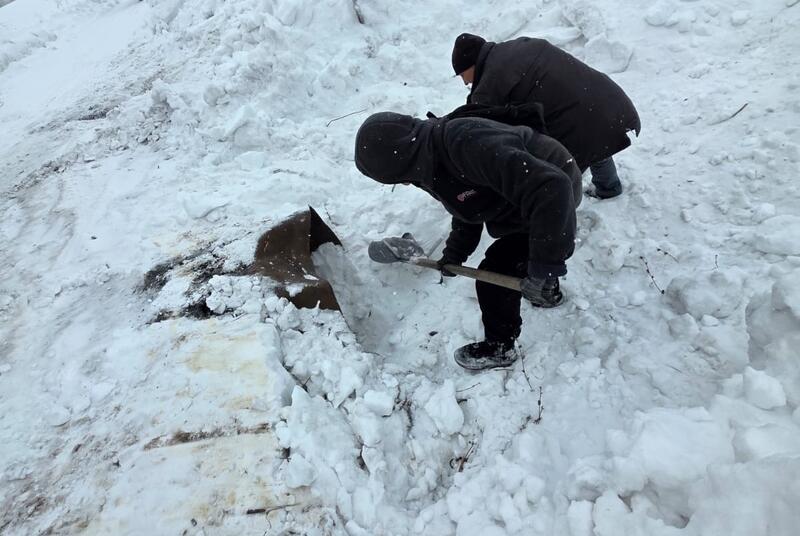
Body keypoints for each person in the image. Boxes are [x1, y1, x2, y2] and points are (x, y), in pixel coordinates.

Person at [354, 111, 582, 370]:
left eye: (398, 178)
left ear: (404, 162)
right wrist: (455, 253)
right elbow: (469, 204)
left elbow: (552, 188)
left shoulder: (465, 145)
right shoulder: (429, 159)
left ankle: (501, 346)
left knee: (498, 271)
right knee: (521, 258)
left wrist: (545, 265)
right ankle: (546, 291)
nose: (405, 184)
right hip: (526, 195)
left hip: (552, 194)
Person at [451, 33, 641, 199]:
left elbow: (481, 119)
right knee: (595, 133)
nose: (464, 82)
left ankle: (562, 217)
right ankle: (609, 187)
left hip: (580, 121)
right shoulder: (521, 45)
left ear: (471, 64)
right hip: (604, 99)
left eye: (462, 75)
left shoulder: (490, 81)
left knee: (562, 175)